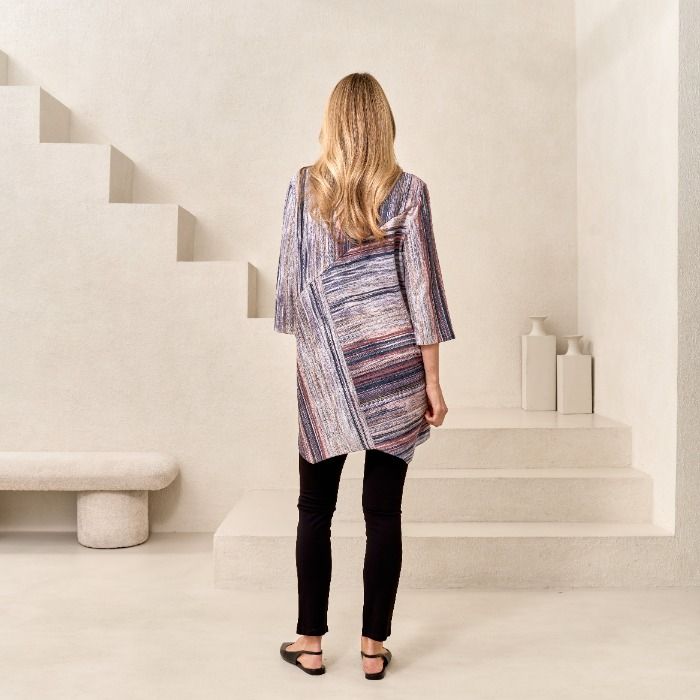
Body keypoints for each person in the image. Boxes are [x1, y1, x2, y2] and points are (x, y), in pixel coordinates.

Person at [275, 72, 456, 680]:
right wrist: (433, 382)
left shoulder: (303, 187)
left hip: (327, 366)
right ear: (384, 123)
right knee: (383, 516)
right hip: (396, 367)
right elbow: (422, 292)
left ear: (331, 122)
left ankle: (310, 642)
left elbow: (291, 287)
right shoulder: (408, 191)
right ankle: (373, 649)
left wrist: (317, 356)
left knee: (314, 509)